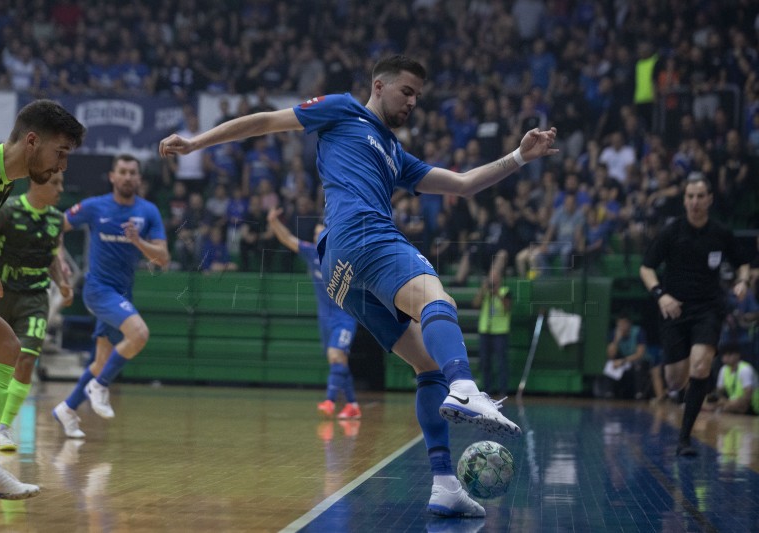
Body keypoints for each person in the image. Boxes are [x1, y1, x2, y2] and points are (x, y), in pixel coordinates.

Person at [160, 55, 558, 518]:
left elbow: (465, 184)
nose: (413, 102)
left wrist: (519, 157)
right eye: (406, 91)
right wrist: (195, 144)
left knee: (428, 364)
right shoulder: (343, 108)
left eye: (418, 97)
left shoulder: (395, 153)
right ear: (379, 85)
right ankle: (466, 386)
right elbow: (267, 121)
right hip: (362, 233)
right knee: (437, 299)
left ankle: (445, 483)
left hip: (339, 274)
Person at [0, 99, 85, 499]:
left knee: (2, 345)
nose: (62, 166)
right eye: (59, 153)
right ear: (32, 141)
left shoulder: (1, 182)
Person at [53, 154, 169, 439]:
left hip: (122, 292)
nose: (128, 176)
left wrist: (138, 242)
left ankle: (67, 409)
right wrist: (60, 260)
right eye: (123, 172)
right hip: (97, 290)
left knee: (100, 361)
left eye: (133, 172)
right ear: (113, 177)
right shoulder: (95, 207)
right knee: (139, 334)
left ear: (139, 179)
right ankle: (100, 386)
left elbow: (163, 258)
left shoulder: (148, 212)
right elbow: (56, 225)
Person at [640, 175, 752, 457]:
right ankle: (687, 381)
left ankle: (684, 439)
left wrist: (743, 281)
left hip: (708, 309)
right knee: (675, 380)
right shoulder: (672, 231)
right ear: (684, 199)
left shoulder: (720, 233)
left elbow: (743, 265)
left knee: (701, 367)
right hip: (674, 309)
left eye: (700, 196)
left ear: (710, 199)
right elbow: (646, 268)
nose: (695, 202)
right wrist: (660, 295)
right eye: (690, 196)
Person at [0, 171, 74, 452]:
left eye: (61, 183)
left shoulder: (56, 220)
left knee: (26, 360)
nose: (61, 188)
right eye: (55, 183)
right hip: (1, 294)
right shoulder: (8, 211)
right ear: (37, 182)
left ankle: (3, 428)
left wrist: (61, 283)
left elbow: (51, 260)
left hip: (35, 297)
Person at [266, 207, 361, 419]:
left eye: (321, 234)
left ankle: (329, 400)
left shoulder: (343, 255)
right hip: (325, 319)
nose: (317, 237)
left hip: (345, 317)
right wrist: (273, 222)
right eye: (315, 234)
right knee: (338, 361)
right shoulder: (311, 253)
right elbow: (288, 239)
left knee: (335, 355)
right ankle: (353, 405)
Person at [472, 269, 512, 397]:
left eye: (495, 278)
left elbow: (507, 307)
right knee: (485, 362)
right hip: (485, 330)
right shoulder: (485, 293)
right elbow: (475, 304)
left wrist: (497, 294)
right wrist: (483, 290)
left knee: (501, 362)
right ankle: (487, 389)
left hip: (500, 331)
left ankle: (503, 390)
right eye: (491, 278)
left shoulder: (505, 291)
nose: (493, 281)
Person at [600, 312, 649, 400]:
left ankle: (639, 394)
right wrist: (616, 340)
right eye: (619, 324)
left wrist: (623, 361)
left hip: (636, 360)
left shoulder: (638, 331)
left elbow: (640, 354)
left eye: (624, 323)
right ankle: (609, 393)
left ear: (629, 323)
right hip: (622, 361)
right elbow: (611, 354)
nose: (621, 326)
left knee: (639, 365)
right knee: (610, 363)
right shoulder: (615, 333)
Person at [702, 343, 759, 416]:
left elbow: (747, 397)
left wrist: (726, 404)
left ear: (737, 355)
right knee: (707, 403)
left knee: (722, 408)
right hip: (733, 402)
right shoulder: (723, 370)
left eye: (729, 355)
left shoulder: (745, 369)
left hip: (752, 405)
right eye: (724, 355)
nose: (725, 357)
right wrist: (716, 400)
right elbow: (719, 392)